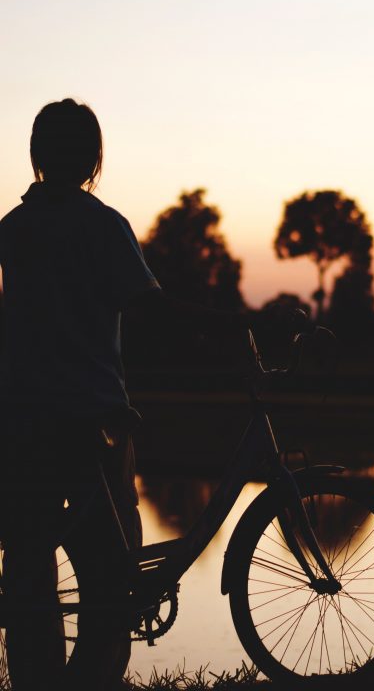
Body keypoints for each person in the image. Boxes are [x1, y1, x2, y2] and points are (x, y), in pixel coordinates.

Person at [0, 98, 246, 691]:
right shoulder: (101, 224)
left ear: (37, 155)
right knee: (111, 578)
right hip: (93, 421)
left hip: (22, 420)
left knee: (29, 566)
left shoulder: (13, 228)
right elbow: (150, 307)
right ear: (92, 158)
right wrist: (233, 324)